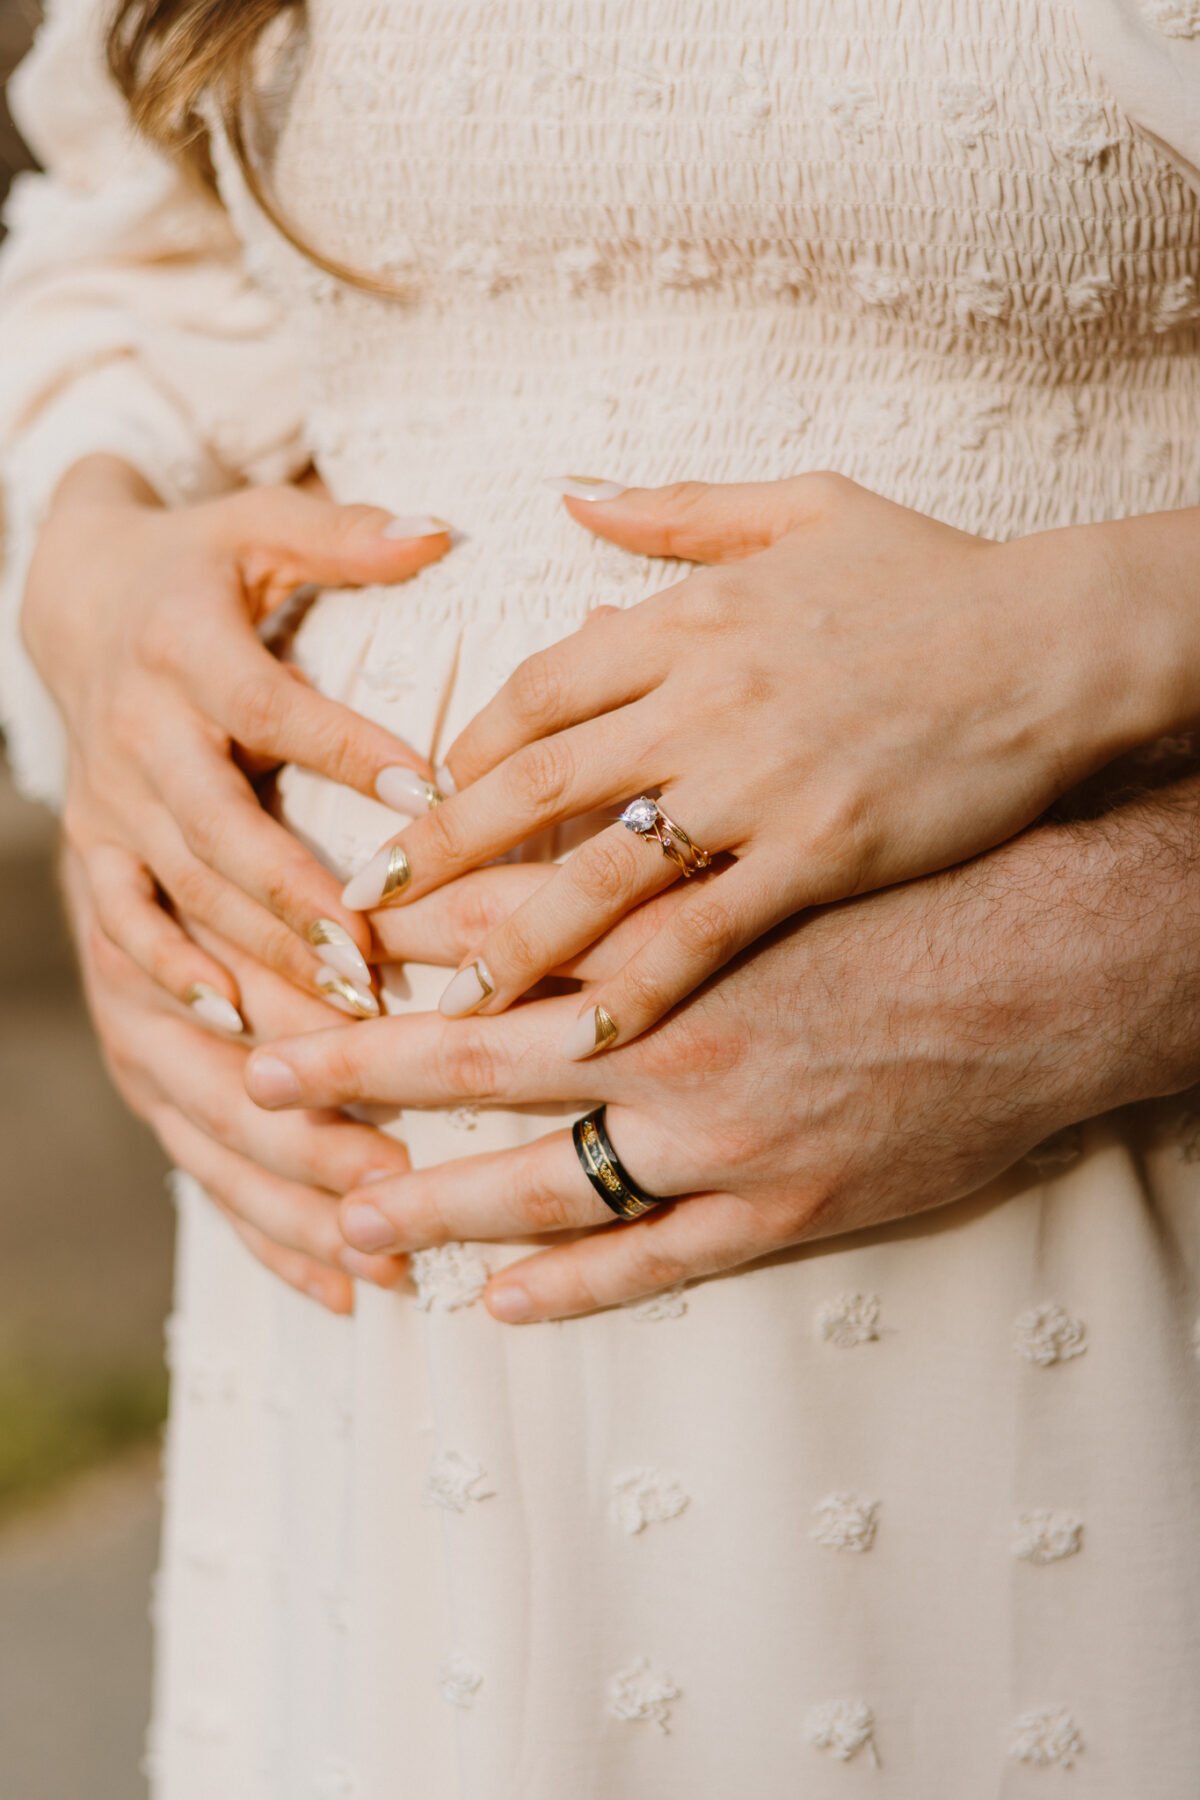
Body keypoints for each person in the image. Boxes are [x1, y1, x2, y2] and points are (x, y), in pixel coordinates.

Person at [2, 0, 1199, 1790]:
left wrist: (1118, 827)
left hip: (1058, 1242)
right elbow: (137, 262)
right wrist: (94, 590)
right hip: (363, 1373)